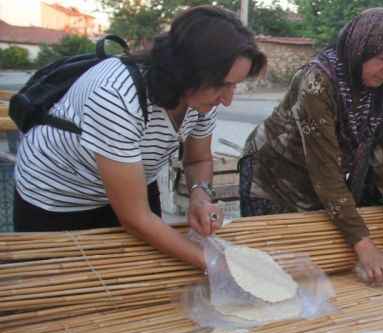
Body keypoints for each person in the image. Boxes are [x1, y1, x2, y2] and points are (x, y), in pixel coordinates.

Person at [13, 6, 266, 270]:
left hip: (133, 185)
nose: (227, 100)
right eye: (222, 85)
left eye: (234, 85)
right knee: (61, 281)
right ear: (186, 71)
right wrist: (218, 264)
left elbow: (198, 160)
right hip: (59, 198)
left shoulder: (202, 100)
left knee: (144, 270)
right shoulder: (115, 96)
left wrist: (200, 196)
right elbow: (135, 219)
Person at [239, 8, 383, 285]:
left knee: (316, 276)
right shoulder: (318, 81)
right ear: (360, 48)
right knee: (271, 276)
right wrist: (364, 245)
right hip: (273, 177)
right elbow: (325, 170)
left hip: (318, 184)